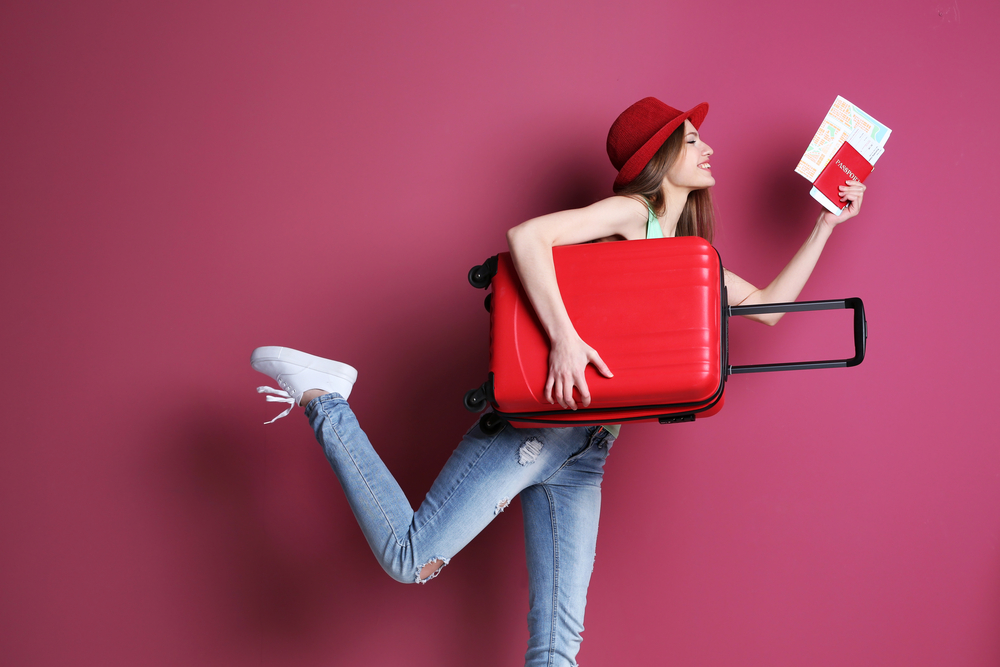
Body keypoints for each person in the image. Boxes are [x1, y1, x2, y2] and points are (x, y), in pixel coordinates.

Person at [250, 97, 865, 667]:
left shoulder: (686, 256)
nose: (708, 149)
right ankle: (326, 398)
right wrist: (566, 340)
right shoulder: (633, 214)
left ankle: (326, 398)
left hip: (587, 454)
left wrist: (824, 226)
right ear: (658, 158)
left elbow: (765, 310)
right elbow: (526, 238)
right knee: (412, 558)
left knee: (557, 647)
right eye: (692, 139)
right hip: (537, 428)